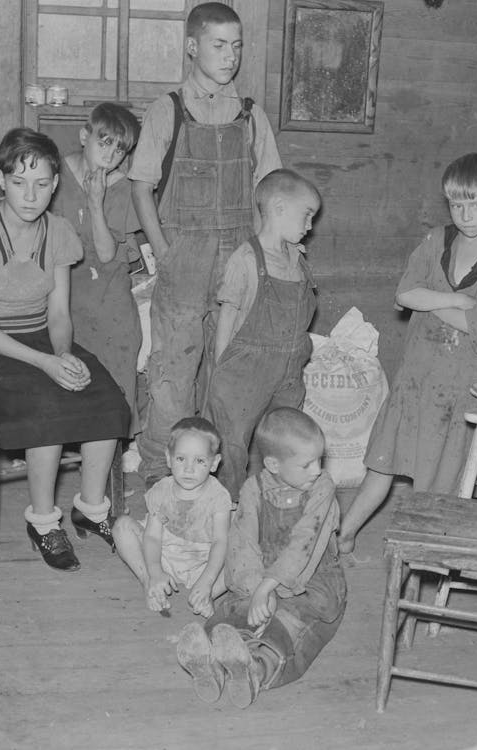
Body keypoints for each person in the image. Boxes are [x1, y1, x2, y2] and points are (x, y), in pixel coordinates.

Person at [0, 127, 131, 572]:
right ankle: (44, 524)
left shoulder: (59, 231)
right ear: (1, 179)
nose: (31, 196)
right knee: (47, 411)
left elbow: (59, 313)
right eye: (19, 182)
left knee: (107, 398)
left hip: (43, 340)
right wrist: (45, 363)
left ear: (55, 183)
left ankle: (91, 509)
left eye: (42, 183)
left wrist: (63, 355)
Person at [128, 2, 282, 488]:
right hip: (184, 258)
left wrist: (262, 257)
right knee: (173, 372)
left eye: (237, 46)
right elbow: (141, 187)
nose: (230, 56)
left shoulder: (251, 116)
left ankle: (221, 481)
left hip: (238, 258)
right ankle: (161, 476)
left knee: (228, 371)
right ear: (192, 47)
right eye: (219, 45)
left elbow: (272, 193)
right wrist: (165, 251)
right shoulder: (167, 110)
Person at [337, 153, 477, 555]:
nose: (465, 215)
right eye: (456, 205)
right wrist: (454, 299)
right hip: (416, 375)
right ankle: (346, 532)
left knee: (440, 476)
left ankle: (424, 553)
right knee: (381, 462)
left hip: (460, 386)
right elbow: (404, 294)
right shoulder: (437, 240)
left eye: (476, 205)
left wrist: (430, 300)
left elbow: (476, 325)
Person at [176, 408, 345, 708]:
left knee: (290, 623)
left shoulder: (322, 488)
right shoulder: (253, 488)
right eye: (307, 464)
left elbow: (304, 543)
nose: (317, 470)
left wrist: (268, 588)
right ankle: (213, 664)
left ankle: (255, 670)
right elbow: (242, 544)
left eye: (319, 460)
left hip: (310, 581)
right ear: (273, 464)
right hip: (260, 577)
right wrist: (257, 590)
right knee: (237, 612)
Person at [202, 169, 320, 500]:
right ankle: (230, 506)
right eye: (306, 215)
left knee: (286, 441)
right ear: (279, 208)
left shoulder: (297, 259)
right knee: (232, 444)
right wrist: (221, 371)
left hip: (288, 372)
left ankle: (279, 503)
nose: (310, 226)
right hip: (245, 372)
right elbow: (228, 316)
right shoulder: (246, 259)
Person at [50, 102, 144, 431]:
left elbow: (106, 254)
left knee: (112, 390)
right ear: (83, 137)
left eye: (120, 149)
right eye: (104, 143)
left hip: (108, 300)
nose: (110, 155)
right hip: (63, 295)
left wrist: (95, 201)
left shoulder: (123, 187)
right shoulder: (55, 175)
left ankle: (114, 445)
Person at [112, 417, 230, 616]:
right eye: (181, 459)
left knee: (243, 553)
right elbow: (152, 537)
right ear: (168, 458)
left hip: (203, 561)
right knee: (121, 526)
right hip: (163, 554)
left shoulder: (218, 496)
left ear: (214, 463)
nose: (189, 469)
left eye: (200, 461)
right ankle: (149, 583)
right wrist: (155, 570)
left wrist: (207, 582)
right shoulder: (161, 490)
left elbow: (220, 542)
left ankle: (206, 595)